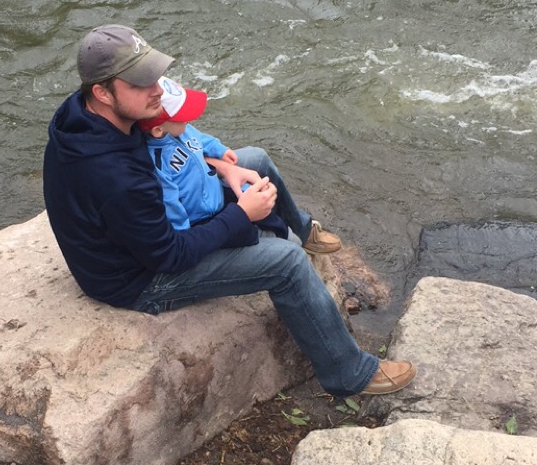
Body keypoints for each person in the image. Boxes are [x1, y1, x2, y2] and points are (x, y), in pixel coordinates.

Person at [42, 23, 416, 400]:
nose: (157, 90)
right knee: (286, 262)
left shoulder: (87, 113)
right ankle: (348, 374)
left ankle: (303, 230)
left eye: (153, 76)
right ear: (102, 92)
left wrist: (221, 165)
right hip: (140, 278)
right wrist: (241, 214)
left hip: (145, 233)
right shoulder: (113, 175)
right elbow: (169, 255)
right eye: (140, 83)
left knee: (254, 159)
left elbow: (166, 153)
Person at [137, 74, 339, 252]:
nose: (189, 120)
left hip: (216, 194)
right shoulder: (157, 164)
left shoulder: (181, 131)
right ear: (158, 130)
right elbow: (171, 206)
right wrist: (184, 232)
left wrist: (220, 150)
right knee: (251, 234)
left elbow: (201, 139)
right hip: (202, 218)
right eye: (182, 118)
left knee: (263, 200)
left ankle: (298, 234)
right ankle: (288, 249)